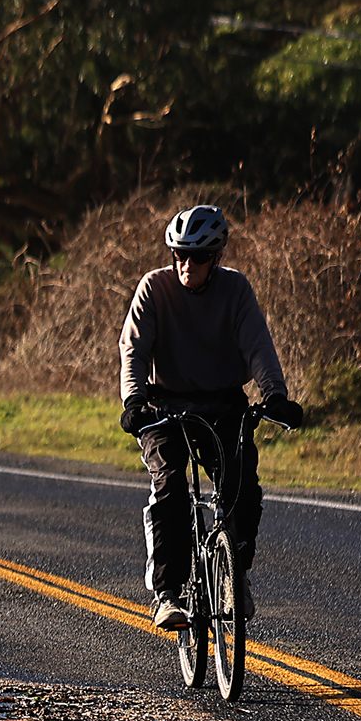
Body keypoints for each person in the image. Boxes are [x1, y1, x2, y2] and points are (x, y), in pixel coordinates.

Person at [117, 205, 303, 630]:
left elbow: (258, 346)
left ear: (216, 257)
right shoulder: (154, 288)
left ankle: (236, 575)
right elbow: (134, 350)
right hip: (164, 405)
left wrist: (275, 395)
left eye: (197, 257)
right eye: (178, 254)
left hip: (223, 403)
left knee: (240, 483)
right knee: (170, 490)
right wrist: (134, 401)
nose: (187, 265)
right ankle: (167, 595)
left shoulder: (235, 289)